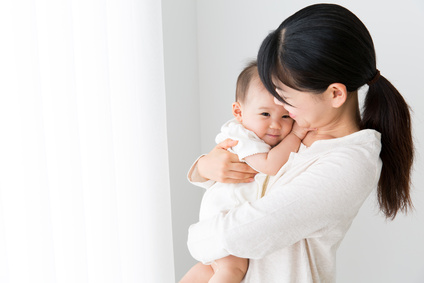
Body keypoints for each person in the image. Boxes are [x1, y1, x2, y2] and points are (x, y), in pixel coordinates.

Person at [185, 3, 414, 282]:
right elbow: (245, 173)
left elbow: (241, 233)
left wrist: (196, 237)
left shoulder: (348, 164)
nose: (279, 106)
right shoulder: (298, 126)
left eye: (286, 96)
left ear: (334, 94)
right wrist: (206, 167)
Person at [180, 62, 310, 283]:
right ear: (239, 112)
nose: (276, 125)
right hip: (224, 215)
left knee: (208, 270)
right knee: (233, 270)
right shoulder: (241, 136)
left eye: (285, 117)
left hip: (226, 215)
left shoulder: (259, 137)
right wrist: (296, 135)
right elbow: (269, 165)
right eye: (265, 114)